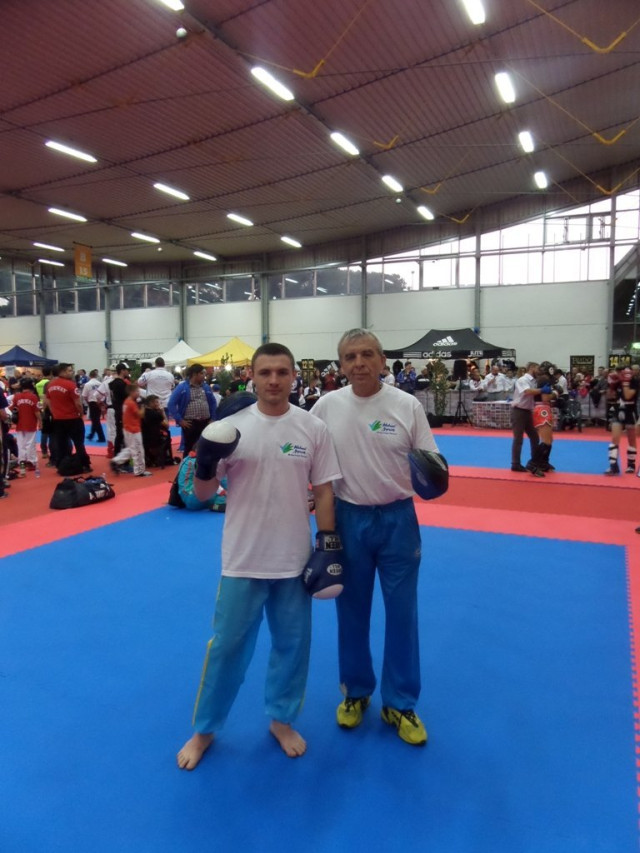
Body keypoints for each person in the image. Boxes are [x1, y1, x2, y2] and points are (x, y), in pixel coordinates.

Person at [176, 342, 342, 769]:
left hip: (294, 558)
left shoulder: (312, 428)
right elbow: (202, 495)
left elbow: (324, 490)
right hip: (243, 558)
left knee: (293, 646)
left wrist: (328, 544)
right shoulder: (229, 429)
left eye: (282, 372)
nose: (273, 380)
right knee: (226, 648)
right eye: (265, 372)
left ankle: (281, 720)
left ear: (293, 376)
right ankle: (205, 729)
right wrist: (206, 464)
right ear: (251, 376)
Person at [312, 328, 441, 747]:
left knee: (402, 613)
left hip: (398, 519)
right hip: (348, 518)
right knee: (351, 610)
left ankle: (400, 702)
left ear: (383, 360)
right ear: (341, 364)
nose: (359, 363)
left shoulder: (407, 405)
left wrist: (435, 474)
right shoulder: (326, 406)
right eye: (350, 357)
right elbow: (307, 460)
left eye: (367, 354)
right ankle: (356, 691)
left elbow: (432, 460)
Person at [44, 363, 92, 473]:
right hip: (72, 418)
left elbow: (47, 401)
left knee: (61, 444)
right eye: (69, 371)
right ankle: (85, 465)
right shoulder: (70, 385)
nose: (72, 373)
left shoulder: (50, 385)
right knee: (79, 443)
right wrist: (81, 414)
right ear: (62, 372)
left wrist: (54, 412)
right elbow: (78, 403)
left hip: (58, 419)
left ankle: (61, 465)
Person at [168, 363, 217, 457]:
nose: (204, 376)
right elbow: (171, 404)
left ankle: (202, 466)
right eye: (202, 373)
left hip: (205, 422)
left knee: (206, 447)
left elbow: (213, 403)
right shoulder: (182, 387)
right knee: (189, 448)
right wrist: (180, 420)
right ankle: (187, 466)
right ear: (195, 374)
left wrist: (213, 418)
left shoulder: (206, 387)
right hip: (190, 423)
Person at [110, 383, 151, 477]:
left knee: (131, 449)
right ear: (131, 392)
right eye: (137, 391)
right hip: (133, 429)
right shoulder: (131, 403)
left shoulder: (127, 402)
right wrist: (143, 406)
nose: (138, 393)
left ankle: (116, 461)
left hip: (128, 428)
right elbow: (141, 415)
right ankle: (139, 471)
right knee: (138, 450)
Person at [604, 366, 638, 475]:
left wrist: (625, 382)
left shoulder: (635, 382)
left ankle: (631, 465)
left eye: (620, 372)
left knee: (631, 439)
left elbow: (628, 396)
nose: (619, 374)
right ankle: (613, 466)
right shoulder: (617, 381)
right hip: (618, 410)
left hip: (630, 411)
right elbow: (609, 396)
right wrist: (611, 385)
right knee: (614, 438)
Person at [510, 362, 541, 474]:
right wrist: (542, 390)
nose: (539, 371)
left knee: (535, 437)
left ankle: (535, 461)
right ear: (531, 368)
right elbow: (527, 392)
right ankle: (515, 464)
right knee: (518, 438)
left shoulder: (533, 381)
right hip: (519, 411)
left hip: (527, 411)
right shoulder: (522, 380)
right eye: (537, 368)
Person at [11, 378, 41, 473]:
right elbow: (37, 411)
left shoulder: (17, 396)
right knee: (30, 443)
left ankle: (22, 461)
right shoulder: (33, 397)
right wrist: (41, 422)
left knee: (21, 444)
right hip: (31, 423)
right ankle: (31, 462)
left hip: (19, 424)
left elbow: (11, 408)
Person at [82, 369, 106, 442]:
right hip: (99, 402)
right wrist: (101, 402)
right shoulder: (100, 383)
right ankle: (91, 434)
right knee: (95, 419)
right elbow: (104, 394)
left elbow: (84, 395)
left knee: (95, 420)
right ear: (96, 376)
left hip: (92, 402)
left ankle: (101, 437)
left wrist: (88, 402)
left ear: (90, 376)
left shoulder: (87, 384)